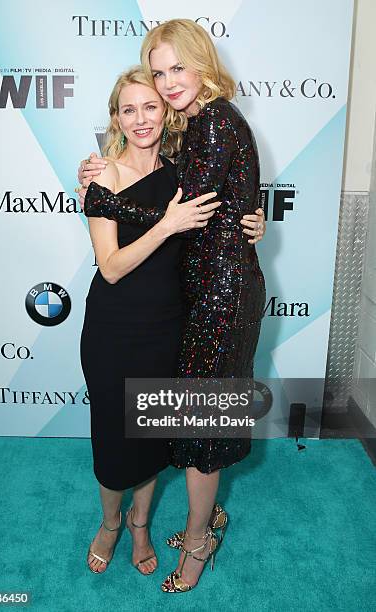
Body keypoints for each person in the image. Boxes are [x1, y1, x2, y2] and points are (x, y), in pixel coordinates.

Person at [78, 19, 267, 593]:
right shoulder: (123, 166)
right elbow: (123, 254)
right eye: (157, 77)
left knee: (188, 428)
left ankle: (183, 531)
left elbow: (198, 208)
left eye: (172, 72)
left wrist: (243, 222)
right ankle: (125, 526)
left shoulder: (194, 145)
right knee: (141, 433)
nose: (162, 90)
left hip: (199, 308)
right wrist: (100, 192)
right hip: (137, 320)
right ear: (117, 117)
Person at [80, 66, 221, 577]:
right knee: (114, 438)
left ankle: (140, 524)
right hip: (114, 330)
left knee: (149, 436)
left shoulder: (185, 172)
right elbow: (111, 267)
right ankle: (112, 522)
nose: (141, 119)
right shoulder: (102, 176)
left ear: (165, 112)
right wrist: (167, 225)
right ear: (116, 118)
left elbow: (223, 220)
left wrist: (256, 224)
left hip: (169, 326)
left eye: (150, 107)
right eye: (128, 109)